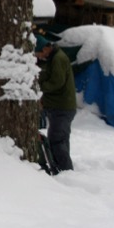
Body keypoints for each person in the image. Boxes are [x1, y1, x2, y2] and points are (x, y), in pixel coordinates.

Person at [35, 34, 77, 172]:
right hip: (59, 106)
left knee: (57, 139)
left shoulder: (58, 59)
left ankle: (64, 170)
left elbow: (56, 82)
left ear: (46, 48)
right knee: (61, 139)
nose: (39, 56)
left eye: (39, 53)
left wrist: (38, 88)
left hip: (62, 107)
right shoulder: (52, 58)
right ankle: (63, 168)